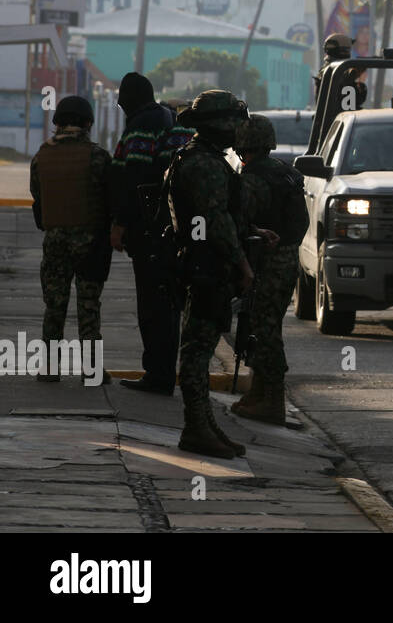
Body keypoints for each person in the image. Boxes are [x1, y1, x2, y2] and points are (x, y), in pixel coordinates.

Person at [168, 91, 262, 458]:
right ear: (220, 124)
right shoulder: (204, 164)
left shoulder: (202, 159)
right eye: (235, 123)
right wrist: (243, 263)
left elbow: (224, 215)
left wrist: (253, 231)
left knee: (201, 347)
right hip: (205, 267)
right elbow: (215, 220)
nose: (239, 130)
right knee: (196, 351)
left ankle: (204, 424)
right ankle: (196, 428)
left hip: (205, 264)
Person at [110, 72, 193, 395]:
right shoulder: (173, 120)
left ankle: (157, 375)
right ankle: (164, 372)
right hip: (175, 230)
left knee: (152, 305)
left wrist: (120, 223)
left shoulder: (143, 124)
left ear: (127, 100)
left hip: (149, 231)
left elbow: (135, 178)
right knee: (169, 303)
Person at [30, 96, 113, 382]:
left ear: (57, 123)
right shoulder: (99, 157)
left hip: (54, 241)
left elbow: (38, 201)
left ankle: (49, 367)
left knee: (54, 305)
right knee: (88, 306)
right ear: (88, 123)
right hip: (89, 242)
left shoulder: (42, 155)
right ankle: (91, 369)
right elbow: (108, 202)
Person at [230, 114, 303, 426]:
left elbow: (239, 221)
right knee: (264, 326)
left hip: (266, 260)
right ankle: (259, 395)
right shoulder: (286, 172)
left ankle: (272, 401)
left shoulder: (253, 178)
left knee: (265, 330)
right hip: (286, 258)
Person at [314, 33, 368, 107]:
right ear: (344, 50)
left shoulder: (328, 70)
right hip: (338, 117)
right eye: (349, 49)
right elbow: (350, 103)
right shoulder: (335, 71)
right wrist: (357, 79)